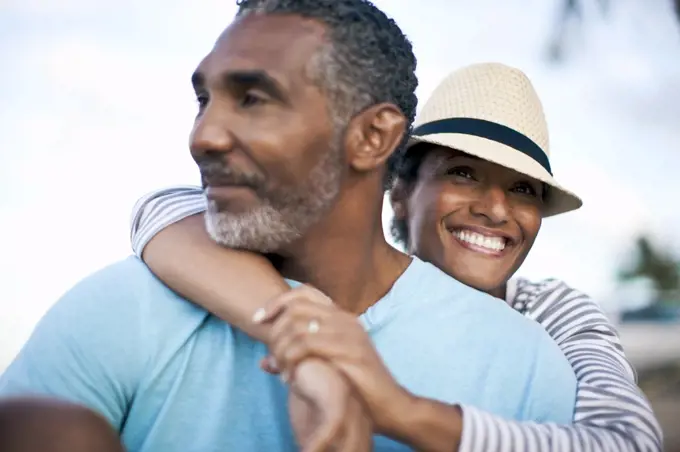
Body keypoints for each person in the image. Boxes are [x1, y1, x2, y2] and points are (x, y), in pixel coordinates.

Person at [0, 1, 577, 452]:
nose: (203, 136)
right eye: (204, 99)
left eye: (253, 99)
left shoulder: (528, 365)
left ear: (374, 138)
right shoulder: (124, 307)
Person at [128, 63, 663, 451]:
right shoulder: (325, 277)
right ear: (400, 191)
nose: (496, 209)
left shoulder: (551, 314)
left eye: (523, 189)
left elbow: (626, 443)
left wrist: (401, 412)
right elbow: (169, 209)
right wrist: (307, 345)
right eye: (463, 173)